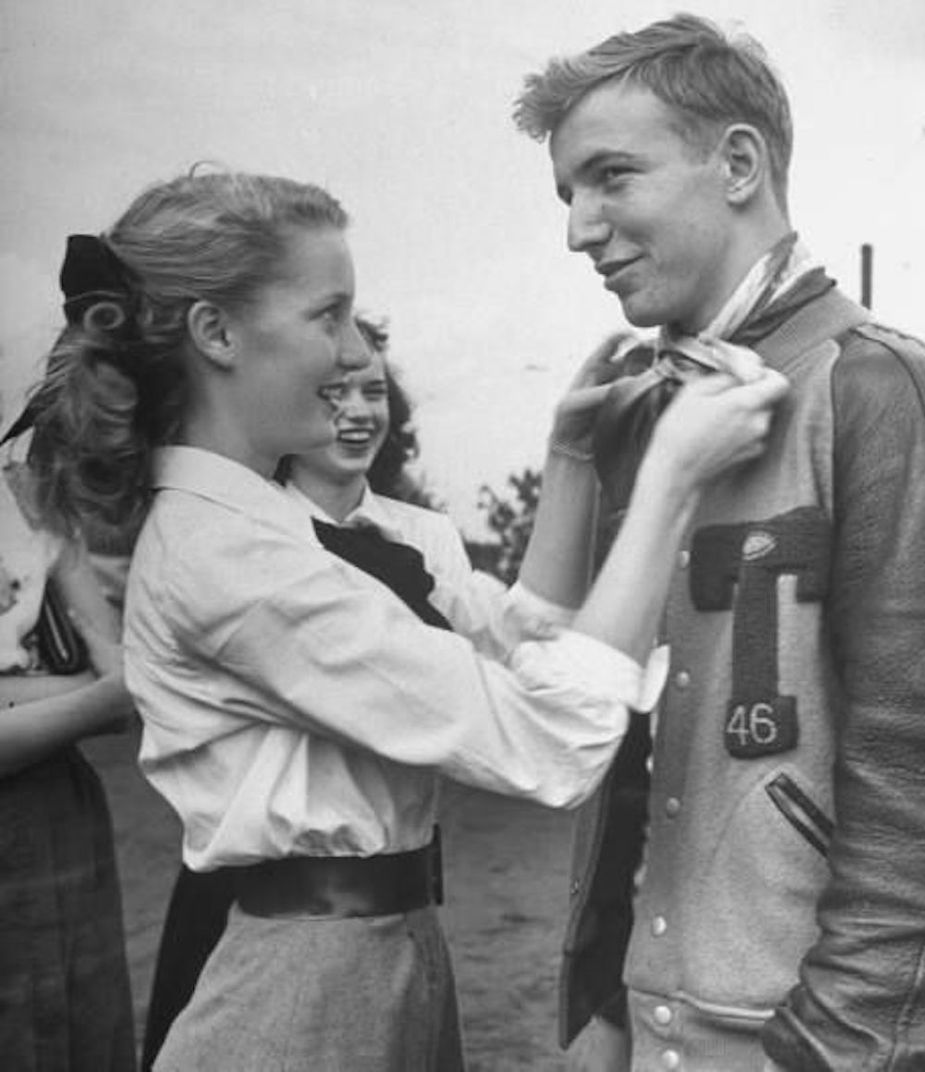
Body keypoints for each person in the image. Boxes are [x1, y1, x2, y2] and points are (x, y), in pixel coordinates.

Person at [24, 170, 786, 1071]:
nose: (355, 353)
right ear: (217, 334)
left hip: (375, 960)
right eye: (329, 315)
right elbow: (550, 743)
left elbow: (505, 650)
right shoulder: (225, 555)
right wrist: (672, 482)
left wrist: (572, 460)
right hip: (304, 995)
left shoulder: (272, 528)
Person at [513, 13, 925, 1072]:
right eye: (567, 193)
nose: (579, 229)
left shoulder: (884, 391)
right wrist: (606, 1002)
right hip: (650, 1029)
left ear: (737, 165)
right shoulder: (644, 419)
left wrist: (827, 1054)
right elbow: (633, 756)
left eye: (611, 176)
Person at [138, 318, 435, 1071]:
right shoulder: (241, 544)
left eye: (374, 391)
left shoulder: (418, 540)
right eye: (334, 392)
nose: (356, 412)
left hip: (389, 881)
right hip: (270, 884)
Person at [0, 418, 136, 1069]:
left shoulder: (28, 497)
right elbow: (107, 691)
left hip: (62, 815)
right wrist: (89, 694)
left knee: (81, 1030)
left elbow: (124, 686)